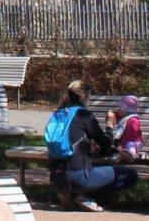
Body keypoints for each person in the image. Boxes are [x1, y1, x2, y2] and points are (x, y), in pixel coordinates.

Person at [45, 80, 140, 212]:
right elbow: (106, 142)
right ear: (84, 97)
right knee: (131, 175)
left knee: (99, 170)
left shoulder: (58, 114)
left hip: (56, 177)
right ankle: (82, 196)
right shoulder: (84, 115)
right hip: (79, 177)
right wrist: (109, 125)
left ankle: (70, 193)